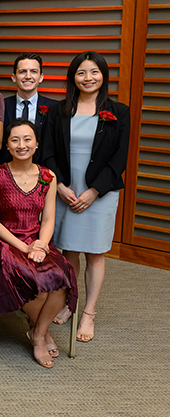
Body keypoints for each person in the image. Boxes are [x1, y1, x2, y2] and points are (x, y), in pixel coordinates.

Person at [42, 51, 130, 342]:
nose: (88, 78)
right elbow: (48, 152)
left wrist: (94, 191)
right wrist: (60, 187)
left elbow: (119, 159)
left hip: (100, 193)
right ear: (73, 77)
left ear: (103, 76)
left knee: (94, 252)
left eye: (94, 72)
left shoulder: (119, 112)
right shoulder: (58, 110)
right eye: (81, 72)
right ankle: (70, 303)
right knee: (68, 252)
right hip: (65, 189)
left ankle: (89, 312)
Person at [0, 119, 77, 368]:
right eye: (15, 140)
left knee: (62, 276)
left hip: (38, 240)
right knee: (27, 275)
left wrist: (40, 245)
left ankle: (37, 331)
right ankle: (41, 336)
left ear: (37, 144)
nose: (21, 145)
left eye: (27, 139)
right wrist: (23, 247)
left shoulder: (48, 176)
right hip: (5, 241)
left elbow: (48, 219)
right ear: (7, 144)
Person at [0, 53, 57, 165]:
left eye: (33, 71)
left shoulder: (54, 107)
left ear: (41, 77)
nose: (28, 76)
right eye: (22, 71)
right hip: (7, 169)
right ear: (14, 77)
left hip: (44, 170)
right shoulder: (1, 105)